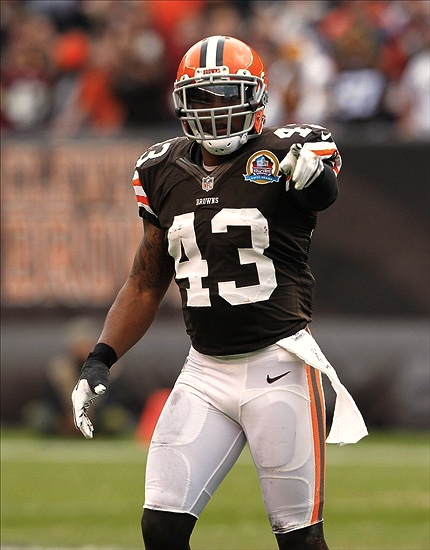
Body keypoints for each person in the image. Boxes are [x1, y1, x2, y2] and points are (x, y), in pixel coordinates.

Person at [72, 35, 367, 550]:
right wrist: (101, 357)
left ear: (257, 97)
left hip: (280, 365)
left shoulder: (288, 151)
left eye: (228, 94)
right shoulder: (161, 169)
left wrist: (313, 176)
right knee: (161, 526)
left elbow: (323, 194)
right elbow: (146, 280)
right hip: (205, 371)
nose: (215, 109)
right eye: (202, 97)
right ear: (181, 102)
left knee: (300, 539)